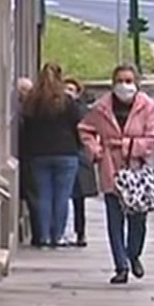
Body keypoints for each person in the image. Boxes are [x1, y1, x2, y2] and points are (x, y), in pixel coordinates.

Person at [79, 64, 154, 284]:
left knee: (138, 219)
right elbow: (85, 130)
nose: (124, 85)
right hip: (111, 169)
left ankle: (133, 254)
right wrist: (96, 152)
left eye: (129, 81)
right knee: (115, 219)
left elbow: (152, 141)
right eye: (120, 81)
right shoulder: (101, 108)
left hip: (136, 171)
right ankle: (121, 265)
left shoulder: (147, 107)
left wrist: (126, 145)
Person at [21, 63, 83, 248]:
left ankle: (43, 235)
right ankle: (58, 235)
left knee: (43, 196)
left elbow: (27, 125)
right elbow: (77, 125)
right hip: (66, 152)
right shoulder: (67, 102)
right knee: (62, 197)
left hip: (38, 153)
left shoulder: (32, 101)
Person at [63, 77, 99, 246]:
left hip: (80, 157)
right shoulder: (59, 109)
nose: (68, 93)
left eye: (71, 89)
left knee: (79, 199)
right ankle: (64, 230)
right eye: (65, 89)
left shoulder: (82, 111)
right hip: (67, 154)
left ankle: (80, 232)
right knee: (64, 197)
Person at [15, 77, 39, 245]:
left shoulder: (31, 110)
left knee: (36, 196)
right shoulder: (30, 110)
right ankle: (43, 233)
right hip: (31, 156)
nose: (25, 95)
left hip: (32, 157)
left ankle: (41, 233)